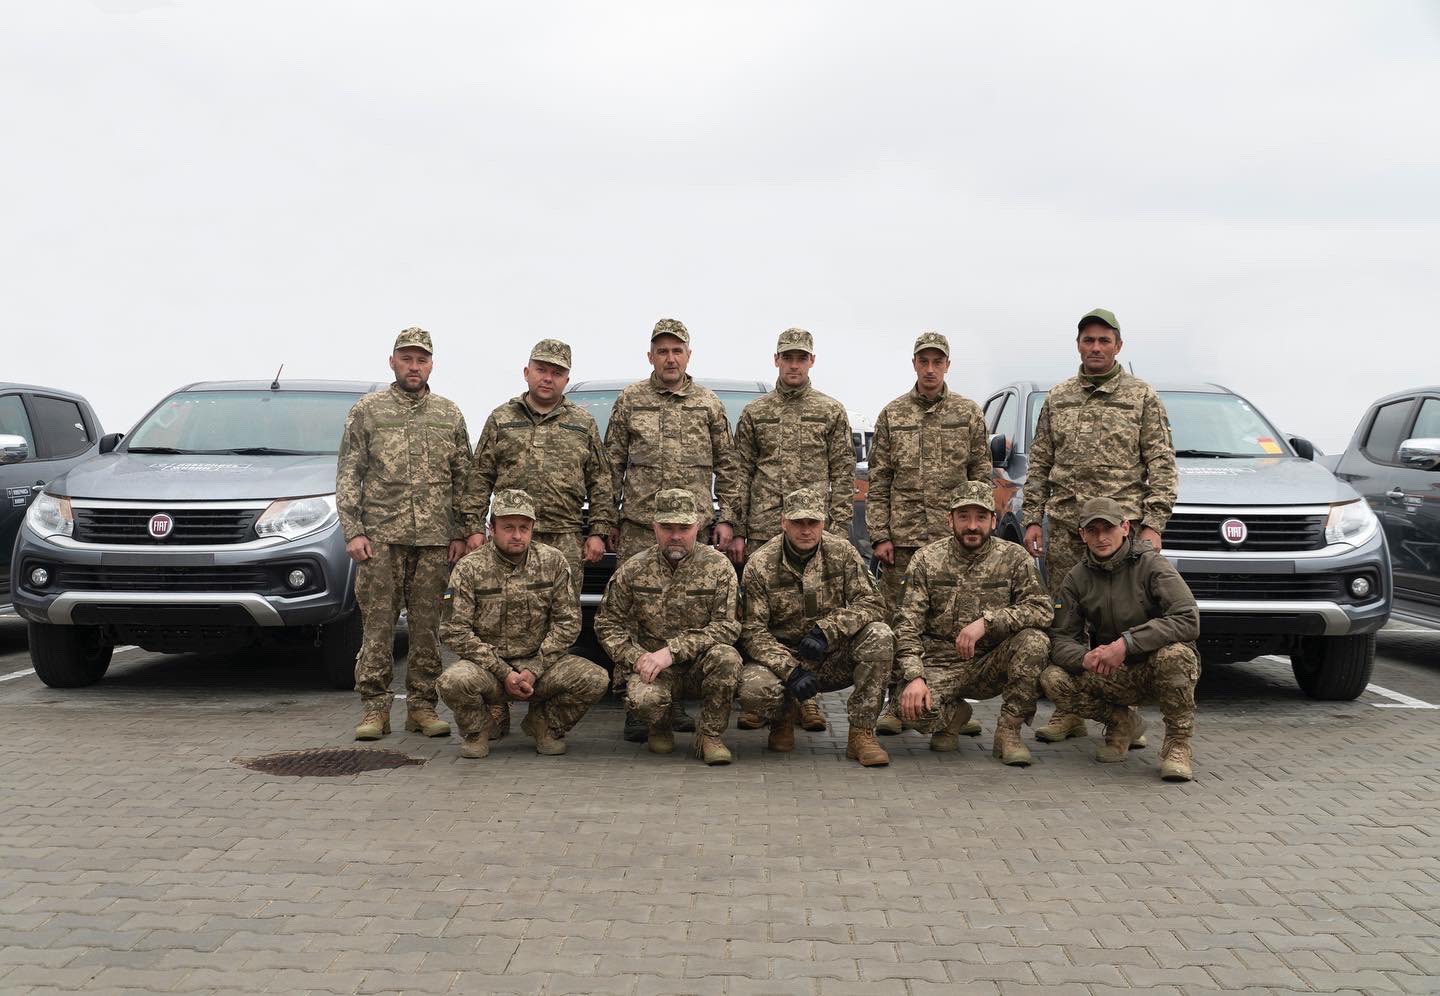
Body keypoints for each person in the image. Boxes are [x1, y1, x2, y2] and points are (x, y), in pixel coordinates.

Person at [1022, 308, 1178, 745]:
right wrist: (1032, 517)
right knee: (1067, 621)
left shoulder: (1141, 396)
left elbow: (1161, 463)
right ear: (1078, 345)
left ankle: (1123, 713)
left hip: (1120, 533)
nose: (1095, 347)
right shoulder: (1059, 397)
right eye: (1088, 340)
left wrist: (1153, 523)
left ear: (1118, 346)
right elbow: (1040, 463)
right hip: (1068, 529)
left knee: (1122, 619)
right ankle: (1070, 709)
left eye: (1104, 340)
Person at [336, 327, 482, 742]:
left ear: (431, 364)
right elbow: (349, 472)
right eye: (406, 359)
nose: (414, 367)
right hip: (380, 539)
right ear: (393, 362)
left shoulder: (448, 414)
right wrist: (353, 531)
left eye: (421, 360)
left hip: (435, 542)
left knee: (427, 628)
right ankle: (375, 708)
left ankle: (421, 706)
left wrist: (464, 530)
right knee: (378, 627)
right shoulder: (368, 411)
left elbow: (464, 477)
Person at [465, 338, 615, 740]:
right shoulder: (501, 419)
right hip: (507, 539)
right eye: (542, 369)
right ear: (527, 371)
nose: (548, 378)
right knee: (497, 617)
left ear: (567, 378)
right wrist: (474, 528)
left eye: (557, 372)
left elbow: (601, 481)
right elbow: (479, 477)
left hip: (563, 536)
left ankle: (543, 709)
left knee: (559, 621)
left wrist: (598, 531)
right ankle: (496, 701)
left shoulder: (582, 423)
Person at [605, 317, 740, 740]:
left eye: (676, 350)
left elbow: (728, 465)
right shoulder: (631, 400)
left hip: (692, 529)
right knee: (634, 615)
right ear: (650, 356)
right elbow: (611, 465)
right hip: (640, 526)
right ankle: (635, 702)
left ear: (688, 355)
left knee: (685, 612)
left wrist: (727, 518)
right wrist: (606, 520)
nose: (670, 358)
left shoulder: (708, 403)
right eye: (662, 351)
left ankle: (675, 698)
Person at [729, 328, 855, 735]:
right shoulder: (756, 413)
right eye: (788, 357)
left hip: (812, 532)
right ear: (777, 360)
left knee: (811, 616)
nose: (794, 365)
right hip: (765, 528)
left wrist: (837, 532)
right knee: (761, 617)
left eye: (801, 358)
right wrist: (738, 528)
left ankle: (809, 699)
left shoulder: (830, 411)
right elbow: (740, 473)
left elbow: (843, 474)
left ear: (811, 361)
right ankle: (762, 700)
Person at [865, 331, 992, 735]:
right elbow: (879, 481)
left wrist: (976, 529)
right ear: (915, 364)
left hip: (953, 541)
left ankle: (950, 701)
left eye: (938, 362)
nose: (931, 369)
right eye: (924, 361)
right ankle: (894, 701)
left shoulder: (968, 413)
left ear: (948, 365)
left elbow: (981, 475)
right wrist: (880, 535)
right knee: (898, 619)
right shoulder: (893, 415)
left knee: (952, 620)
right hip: (903, 540)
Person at [435, 489, 608, 758]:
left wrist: (534, 669)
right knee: (452, 681)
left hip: (540, 667)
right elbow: (453, 630)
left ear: (532, 529)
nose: (517, 535)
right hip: (489, 669)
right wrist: (503, 671)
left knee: (595, 678)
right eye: (508, 527)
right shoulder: (469, 568)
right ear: (492, 528)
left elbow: (568, 623)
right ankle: (477, 730)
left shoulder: (553, 561)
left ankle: (545, 724)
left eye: (523, 528)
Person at [891, 481, 1054, 765]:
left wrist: (988, 622)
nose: (972, 526)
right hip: (939, 662)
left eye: (980, 517)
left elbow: (1042, 610)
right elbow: (906, 625)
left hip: (990, 662)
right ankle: (955, 715)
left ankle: (1009, 732)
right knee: (908, 710)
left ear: (993, 521)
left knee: (1034, 641)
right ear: (950, 520)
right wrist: (915, 676)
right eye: (963, 516)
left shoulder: (1014, 558)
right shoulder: (926, 559)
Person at [1039, 498, 1200, 781]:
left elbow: (1188, 618)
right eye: (1092, 531)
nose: (1101, 538)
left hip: (1155, 669)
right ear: (1082, 535)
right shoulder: (1076, 578)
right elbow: (1061, 638)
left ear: (1125, 528)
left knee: (1177, 655)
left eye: (1108, 528)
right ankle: (1122, 723)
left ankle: (1178, 744)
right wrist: (1085, 658)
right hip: (1111, 672)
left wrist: (1126, 644)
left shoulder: (1152, 565)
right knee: (1053, 678)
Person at [736, 487, 892, 767]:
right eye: (798, 522)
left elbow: (872, 603)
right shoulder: (760, 563)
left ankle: (861, 734)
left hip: (829, 655)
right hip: (782, 658)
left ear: (823, 522)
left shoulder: (842, 552)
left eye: (813, 522)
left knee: (879, 635)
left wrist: (828, 630)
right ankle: (782, 718)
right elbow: (752, 631)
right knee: (753, 689)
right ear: (784, 522)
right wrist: (790, 670)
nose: (806, 530)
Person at [594, 489, 741, 765]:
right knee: (645, 701)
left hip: (698, 666)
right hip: (653, 668)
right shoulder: (634, 568)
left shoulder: (718, 567)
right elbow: (607, 623)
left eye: (684, 528)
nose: (675, 536)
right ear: (654, 528)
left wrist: (672, 652)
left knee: (727, 658)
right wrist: (636, 658)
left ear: (697, 527)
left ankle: (710, 735)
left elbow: (728, 626)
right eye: (667, 528)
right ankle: (659, 725)